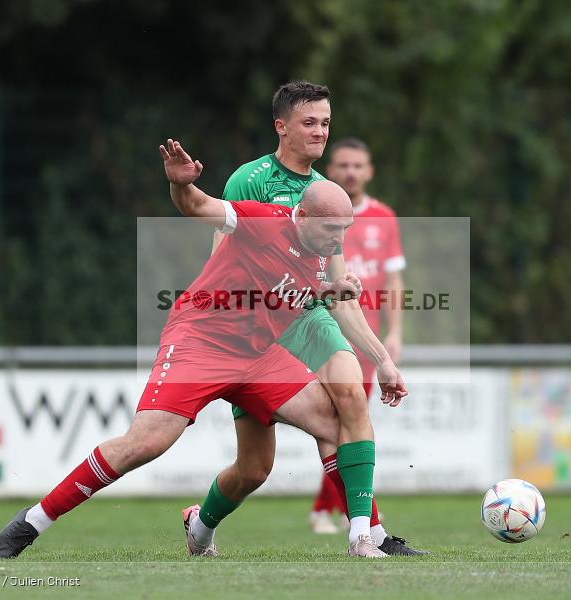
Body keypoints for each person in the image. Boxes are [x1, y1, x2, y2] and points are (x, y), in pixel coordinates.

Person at [0, 139, 391, 559]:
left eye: (345, 230)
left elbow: (282, 286)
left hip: (256, 355)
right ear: (301, 215)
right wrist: (182, 186)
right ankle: (31, 522)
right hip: (201, 340)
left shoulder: (319, 250)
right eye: (331, 229)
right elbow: (199, 207)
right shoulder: (263, 218)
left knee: (290, 448)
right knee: (145, 444)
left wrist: (328, 290)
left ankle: (354, 536)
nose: (338, 239)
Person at [190, 81, 425, 555]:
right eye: (310, 123)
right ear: (282, 127)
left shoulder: (327, 193)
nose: (321, 133)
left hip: (310, 318)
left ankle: (366, 535)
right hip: (258, 329)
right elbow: (223, 269)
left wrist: (382, 359)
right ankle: (201, 523)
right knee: (254, 468)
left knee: (350, 402)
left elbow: (336, 292)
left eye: (326, 124)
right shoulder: (249, 181)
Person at [309, 137, 407, 527]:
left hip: (363, 336)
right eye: (343, 165)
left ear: (370, 172)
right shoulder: (314, 212)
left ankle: (328, 511)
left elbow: (395, 279)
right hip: (315, 327)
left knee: (348, 420)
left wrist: (394, 334)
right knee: (339, 422)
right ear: (330, 171)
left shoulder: (384, 217)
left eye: (358, 166)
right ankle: (344, 515)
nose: (350, 172)